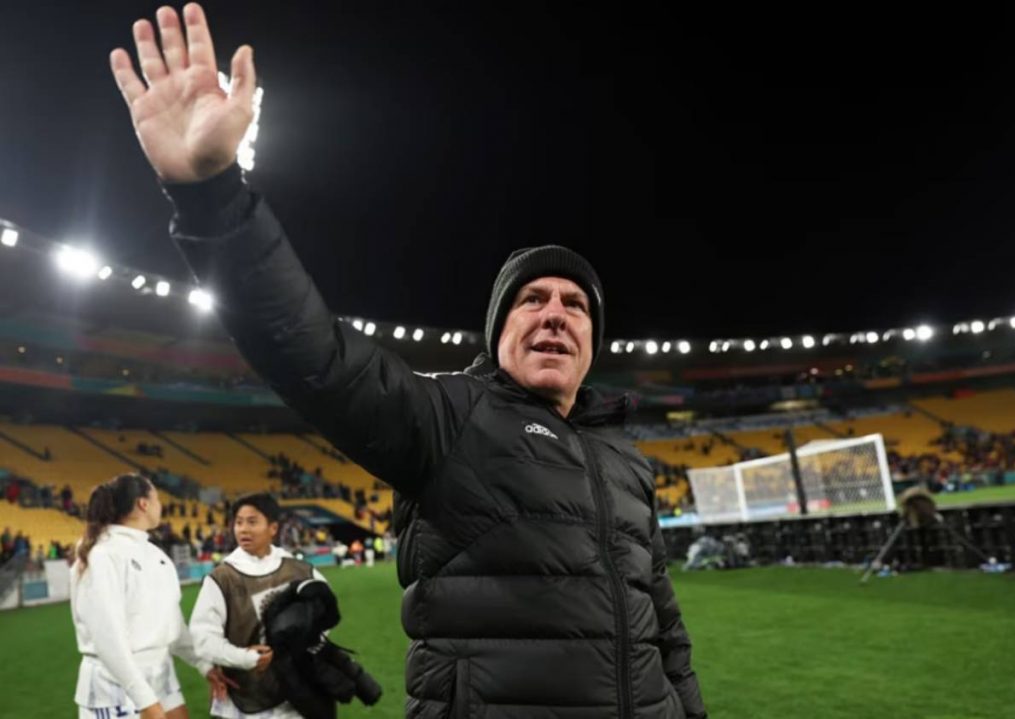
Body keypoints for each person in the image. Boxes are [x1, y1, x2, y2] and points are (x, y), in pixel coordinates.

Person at [110, 4, 705, 717]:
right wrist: (212, 200)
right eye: (532, 299)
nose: (555, 312)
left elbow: (664, 626)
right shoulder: (449, 416)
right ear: (497, 332)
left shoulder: (627, 463)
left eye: (575, 304)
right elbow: (316, 358)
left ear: (591, 339)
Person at [70, 474, 227, 719]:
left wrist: (205, 665)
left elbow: (172, 625)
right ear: (143, 504)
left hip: (160, 673)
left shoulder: (156, 555)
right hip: (114, 682)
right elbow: (107, 638)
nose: (160, 505)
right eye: (156, 498)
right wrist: (145, 700)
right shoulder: (101, 554)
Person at [189, 492, 330, 718]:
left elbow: (326, 615)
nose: (243, 529)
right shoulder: (222, 578)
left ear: (273, 528)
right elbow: (202, 638)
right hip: (244, 699)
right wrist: (245, 658)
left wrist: (299, 647)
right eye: (239, 522)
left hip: (296, 697)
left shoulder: (300, 571)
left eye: (252, 522)